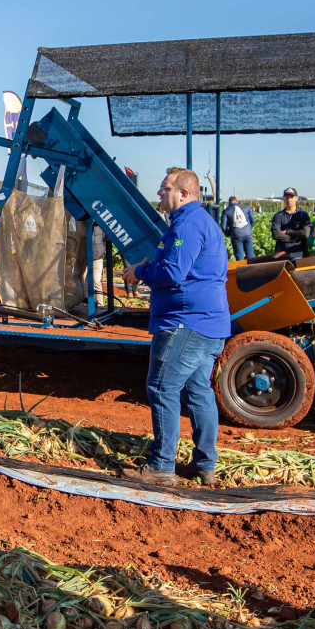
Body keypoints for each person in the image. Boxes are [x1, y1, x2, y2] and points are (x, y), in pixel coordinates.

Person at [122, 168, 230, 488]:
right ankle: (205, 465)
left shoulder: (188, 223)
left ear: (183, 194)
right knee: (198, 392)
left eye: (164, 188)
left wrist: (142, 271)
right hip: (210, 325)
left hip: (186, 323)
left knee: (161, 388)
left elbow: (173, 273)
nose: (159, 194)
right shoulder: (200, 222)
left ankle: (161, 466)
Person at [269, 188, 309, 261]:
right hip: (282, 254)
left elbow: (305, 234)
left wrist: (287, 231)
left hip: (299, 254)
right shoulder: (278, 216)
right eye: (287, 197)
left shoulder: (303, 215)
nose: (289, 200)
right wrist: (296, 237)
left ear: (296, 198)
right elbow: (276, 234)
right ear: (283, 198)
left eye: (291, 197)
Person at [221, 196, 255, 261]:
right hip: (248, 234)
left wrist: (229, 233)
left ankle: (242, 270)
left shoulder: (226, 211)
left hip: (236, 235)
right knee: (251, 255)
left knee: (240, 257)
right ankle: (253, 270)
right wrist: (249, 229)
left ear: (229, 203)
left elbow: (223, 226)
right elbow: (253, 220)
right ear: (237, 201)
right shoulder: (246, 208)